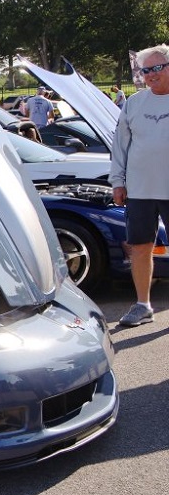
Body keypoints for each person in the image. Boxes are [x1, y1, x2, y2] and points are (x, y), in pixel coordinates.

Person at [110, 44, 169, 326]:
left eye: (157, 68)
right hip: (140, 191)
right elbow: (120, 146)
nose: (151, 74)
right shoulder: (134, 103)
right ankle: (143, 304)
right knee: (140, 246)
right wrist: (117, 181)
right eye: (146, 70)